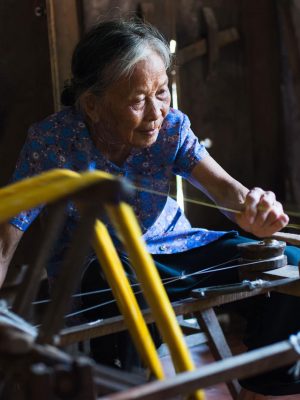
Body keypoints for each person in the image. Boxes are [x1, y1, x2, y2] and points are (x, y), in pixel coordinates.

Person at [0, 18, 300, 398]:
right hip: (106, 269)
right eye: (138, 100)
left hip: (177, 253)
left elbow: (227, 192)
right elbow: (7, 234)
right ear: (92, 105)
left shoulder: (171, 127)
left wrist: (256, 208)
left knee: (284, 260)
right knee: (116, 279)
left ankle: (267, 385)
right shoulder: (52, 142)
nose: (156, 112)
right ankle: (124, 389)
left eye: (162, 92)